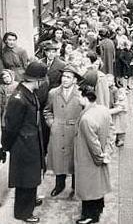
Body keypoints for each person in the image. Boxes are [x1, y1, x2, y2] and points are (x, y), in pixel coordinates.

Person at [1, 61, 48, 223]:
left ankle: (30, 200)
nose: (43, 83)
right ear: (36, 80)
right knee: (25, 178)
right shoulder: (19, 99)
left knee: (32, 175)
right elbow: (10, 127)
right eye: (42, 80)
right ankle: (23, 212)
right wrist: (4, 146)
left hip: (31, 143)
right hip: (23, 145)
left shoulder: (27, 92)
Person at [44, 64, 83, 197]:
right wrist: (51, 123)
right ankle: (59, 185)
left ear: (75, 80)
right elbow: (47, 111)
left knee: (75, 159)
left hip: (75, 132)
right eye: (63, 76)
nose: (64, 79)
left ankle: (75, 186)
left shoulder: (81, 93)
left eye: (68, 77)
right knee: (59, 160)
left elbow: (87, 111)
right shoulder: (53, 93)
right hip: (58, 131)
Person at [74, 87, 112, 224]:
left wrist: (99, 158)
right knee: (97, 187)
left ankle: (89, 216)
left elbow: (93, 143)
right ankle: (98, 209)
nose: (78, 99)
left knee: (88, 189)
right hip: (100, 154)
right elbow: (110, 132)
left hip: (88, 159)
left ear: (85, 98)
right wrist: (107, 152)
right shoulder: (103, 110)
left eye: (79, 96)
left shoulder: (86, 118)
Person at [0, 70, 18, 136]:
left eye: (8, 76)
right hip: (6, 109)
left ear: (11, 76)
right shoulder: (2, 87)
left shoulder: (17, 85)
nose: (6, 79)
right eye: (4, 78)